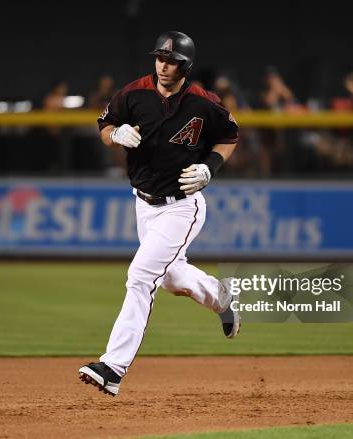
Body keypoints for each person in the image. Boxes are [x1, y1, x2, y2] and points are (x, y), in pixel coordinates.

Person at [78, 31, 240, 397]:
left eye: (172, 61)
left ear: (186, 66)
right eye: (160, 58)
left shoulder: (204, 103)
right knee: (170, 277)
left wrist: (211, 167)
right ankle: (222, 298)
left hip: (182, 205)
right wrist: (114, 134)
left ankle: (113, 367)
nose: (164, 65)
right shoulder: (133, 92)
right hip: (144, 203)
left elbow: (230, 136)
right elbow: (104, 125)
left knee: (140, 276)